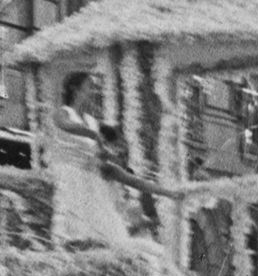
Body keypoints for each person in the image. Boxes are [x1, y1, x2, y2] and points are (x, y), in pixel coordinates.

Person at [48, 74, 170, 248]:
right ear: (76, 90)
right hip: (71, 173)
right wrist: (92, 134)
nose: (92, 91)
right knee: (73, 228)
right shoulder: (64, 112)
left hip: (90, 177)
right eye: (89, 87)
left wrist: (106, 151)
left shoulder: (91, 121)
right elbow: (65, 125)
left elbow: (134, 180)